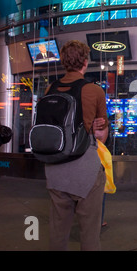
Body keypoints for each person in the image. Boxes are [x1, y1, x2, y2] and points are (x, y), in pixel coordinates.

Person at [45, 40, 109, 251]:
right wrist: (95, 126)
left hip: (55, 167)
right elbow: (101, 137)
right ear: (85, 61)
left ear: (63, 62)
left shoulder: (50, 89)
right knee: (90, 235)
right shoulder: (94, 91)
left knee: (56, 234)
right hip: (85, 169)